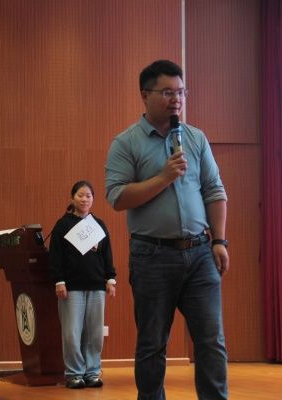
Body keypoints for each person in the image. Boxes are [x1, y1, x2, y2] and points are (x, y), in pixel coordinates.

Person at [105, 59, 229, 400]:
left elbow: (214, 191)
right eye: (167, 92)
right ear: (145, 95)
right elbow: (117, 197)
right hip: (152, 256)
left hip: (200, 252)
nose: (176, 99)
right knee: (152, 343)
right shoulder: (126, 143)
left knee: (211, 340)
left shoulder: (195, 138)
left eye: (181, 92)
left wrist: (219, 241)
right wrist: (163, 177)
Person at [48, 180, 117, 389]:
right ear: (72, 198)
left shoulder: (99, 225)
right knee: (72, 333)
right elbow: (55, 256)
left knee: (94, 334)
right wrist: (59, 281)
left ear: (93, 199)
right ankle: (74, 374)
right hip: (71, 287)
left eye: (88, 196)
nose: (85, 199)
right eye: (80, 195)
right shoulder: (62, 225)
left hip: (97, 286)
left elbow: (107, 254)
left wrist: (110, 279)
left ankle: (92, 372)